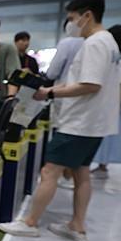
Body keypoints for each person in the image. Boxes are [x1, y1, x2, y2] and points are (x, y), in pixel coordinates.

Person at [0, 0, 121, 241]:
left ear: (87, 15)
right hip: (95, 124)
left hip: (79, 122)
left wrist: (50, 92)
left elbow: (90, 85)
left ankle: (30, 222)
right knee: (81, 173)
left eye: (72, 19)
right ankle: (77, 225)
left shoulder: (95, 43)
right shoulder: (109, 43)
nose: (71, 24)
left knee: (50, 170)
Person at [45, 20, 85, 189]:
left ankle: (57, 174)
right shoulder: (89, 42)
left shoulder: (67, 43)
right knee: (76, 141)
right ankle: (68, 174)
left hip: (63, 95)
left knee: (60, 136)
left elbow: (52, 71)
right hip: (82, 100)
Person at [91, 25, 121, 179]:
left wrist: (117, 104)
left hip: (117, 102)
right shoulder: (116, 56)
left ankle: (104, 163)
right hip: (113, 100)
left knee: (110, 135)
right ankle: (102, 163)